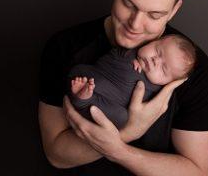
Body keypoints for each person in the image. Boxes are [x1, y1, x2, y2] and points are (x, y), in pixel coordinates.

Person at [38, 0, 208, 175]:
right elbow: (56, 154)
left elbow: (199, 172)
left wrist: (119, 150)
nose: (135, 24)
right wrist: (129, 131)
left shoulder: (195, 73)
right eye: (128, 4)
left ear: (174, 10)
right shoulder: (64, 47)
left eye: (154, 15)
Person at [68, 34, 197, 128]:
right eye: (157, 51)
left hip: (104, 103)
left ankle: (82, 101)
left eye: (163, 69)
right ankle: (81, 93)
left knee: (121, 118)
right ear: (154, 40)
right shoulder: (133, 47)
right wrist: (131, 56)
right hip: (92, 75)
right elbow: (114, 53)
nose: (155, 61)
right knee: (78, 72)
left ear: (167, 83)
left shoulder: (158, 92)